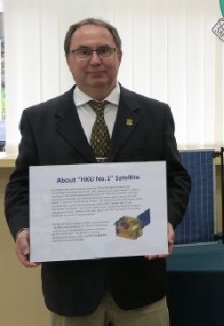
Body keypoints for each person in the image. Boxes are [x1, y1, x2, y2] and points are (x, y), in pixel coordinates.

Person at [4, 18, 192, 325]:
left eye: (104, 50)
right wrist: (23, 228)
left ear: (119, 56)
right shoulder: (38, 119)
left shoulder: (155, 115)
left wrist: (167, 221)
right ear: (68, 59)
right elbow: (21, 185)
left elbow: (176, 178)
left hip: (139, 279)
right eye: (83, 51)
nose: (95, 60)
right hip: (71, 284)